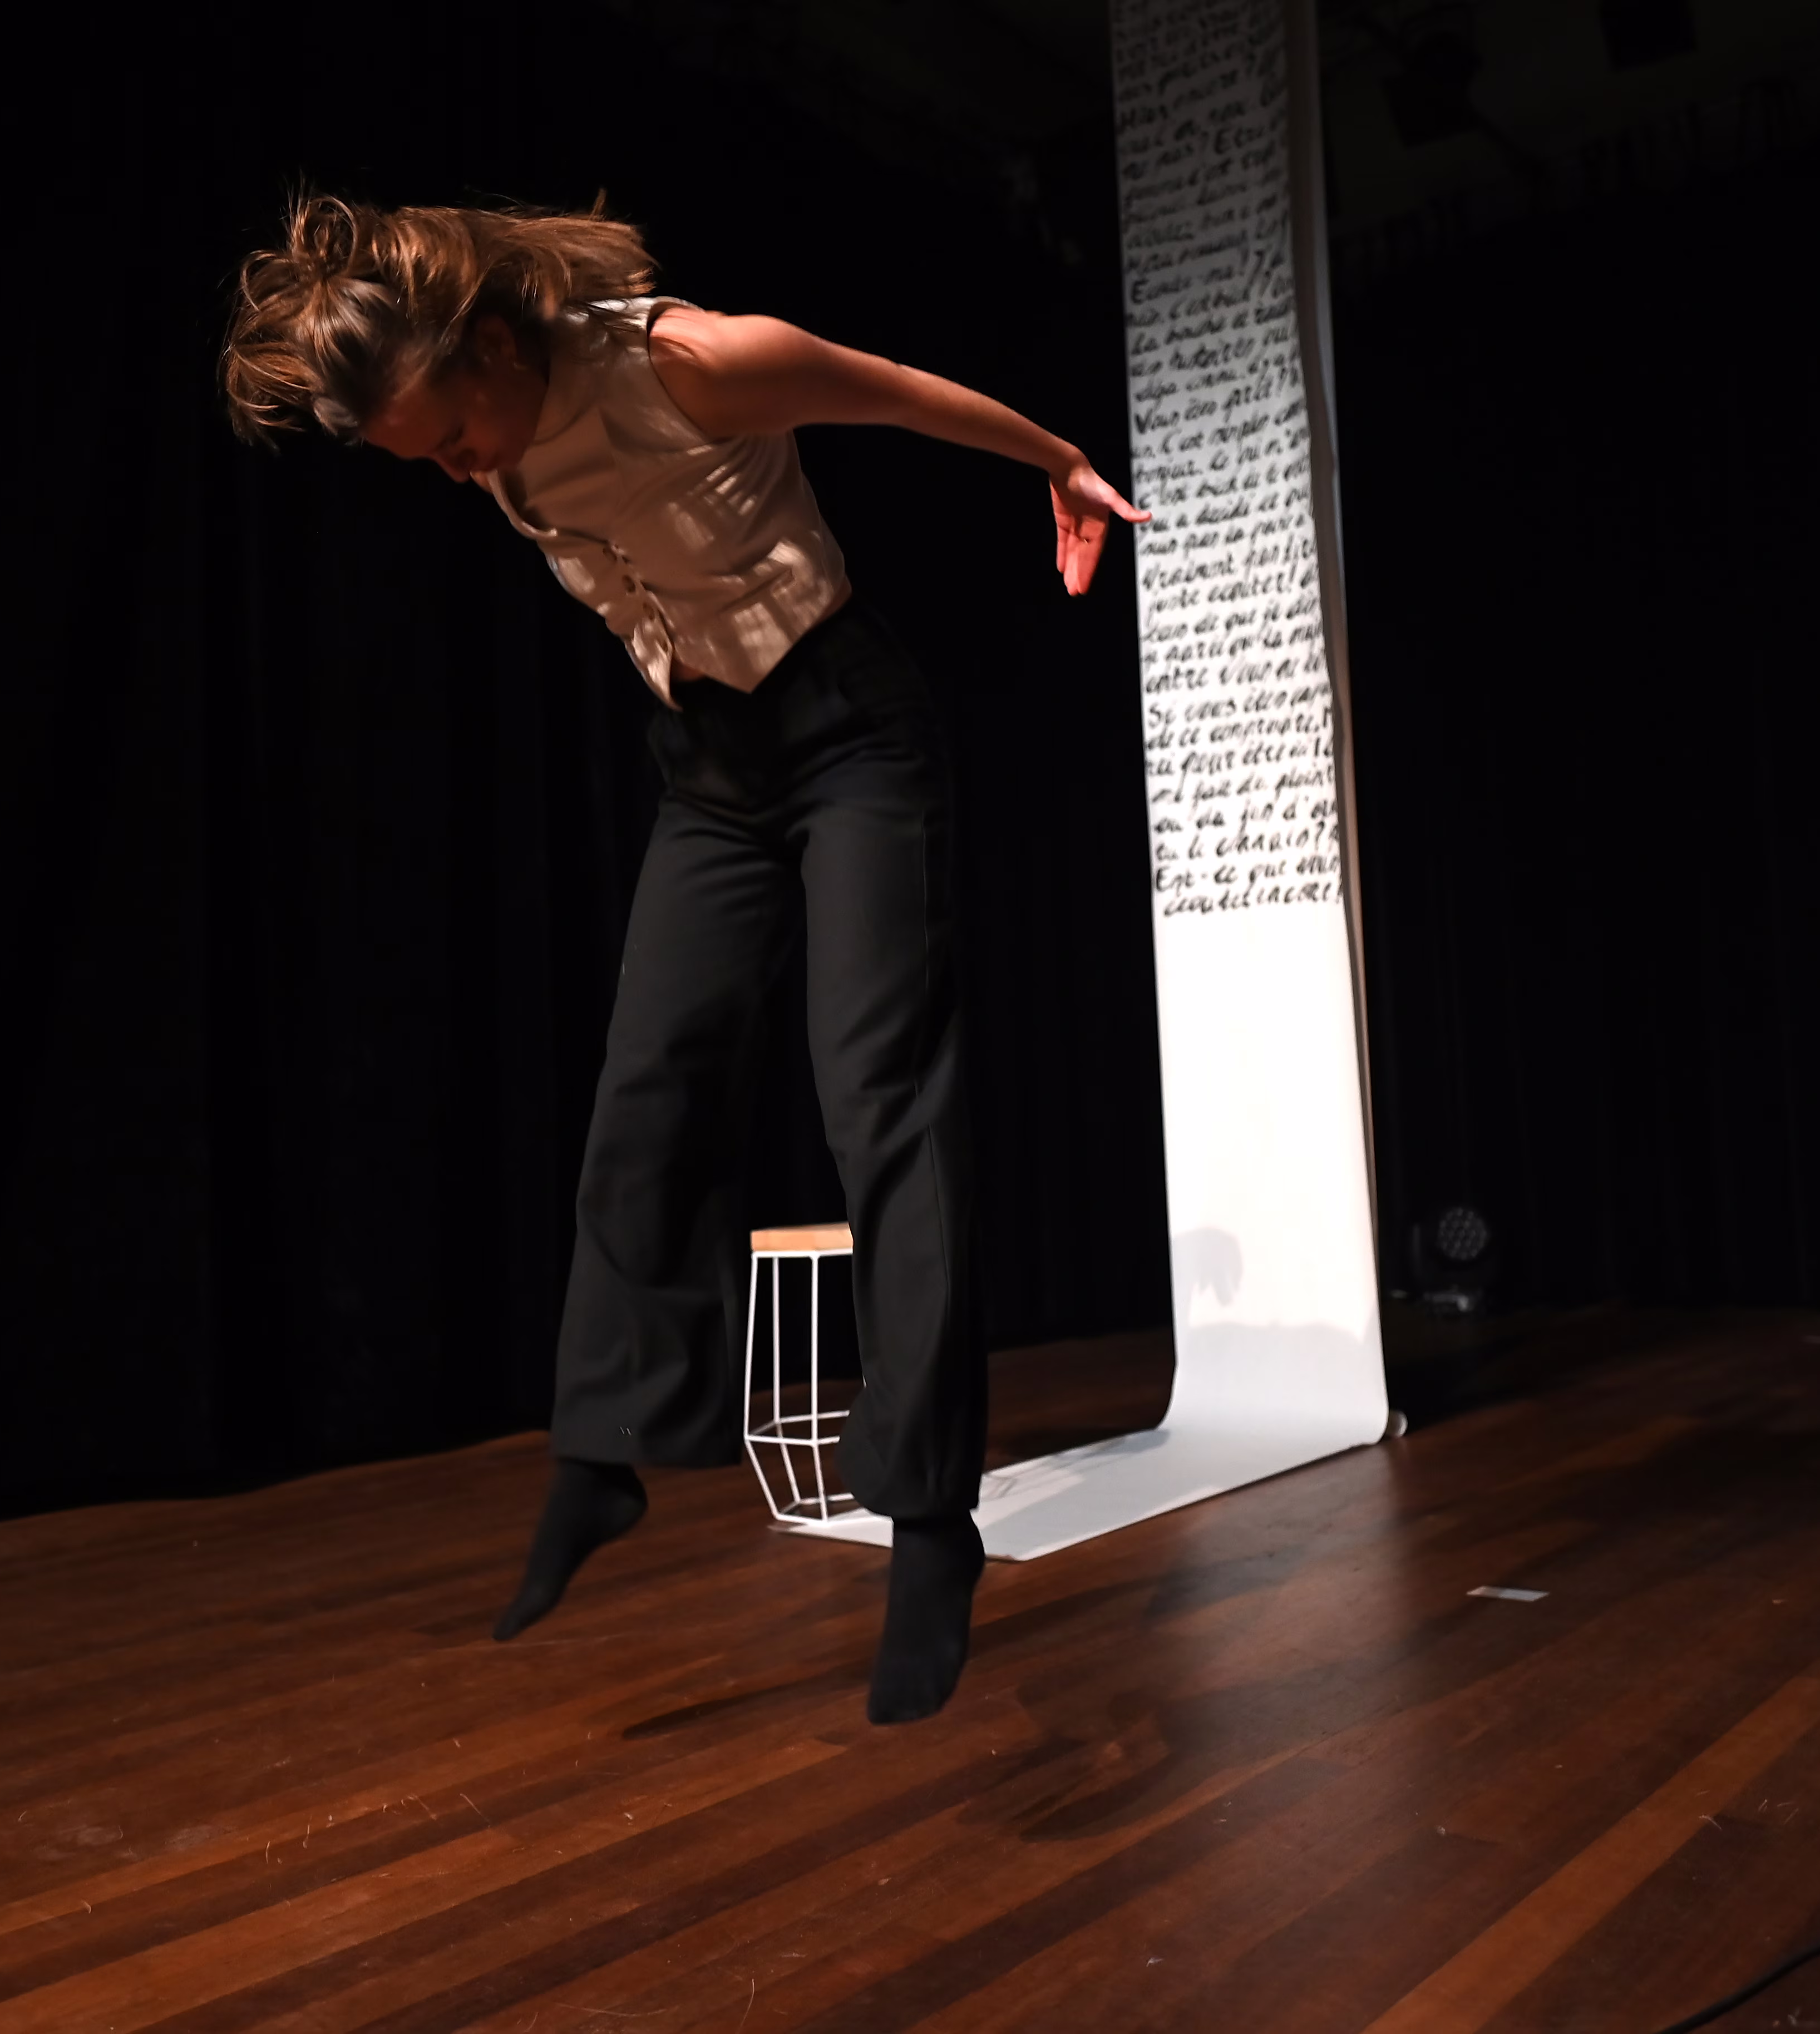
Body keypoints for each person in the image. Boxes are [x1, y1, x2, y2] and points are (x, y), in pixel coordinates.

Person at [218, 195, 1142, 1723]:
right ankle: (606, 1452)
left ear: (496, 348)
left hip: (848, 733)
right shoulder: (487, 430)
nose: (459, 474)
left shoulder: (696, 363)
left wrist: (1056, 461)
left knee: (880, 1101)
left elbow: (901, 395)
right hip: (713, 766)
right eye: (424, 461)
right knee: (647, 1090)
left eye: (453, 439)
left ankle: (929, 1521)